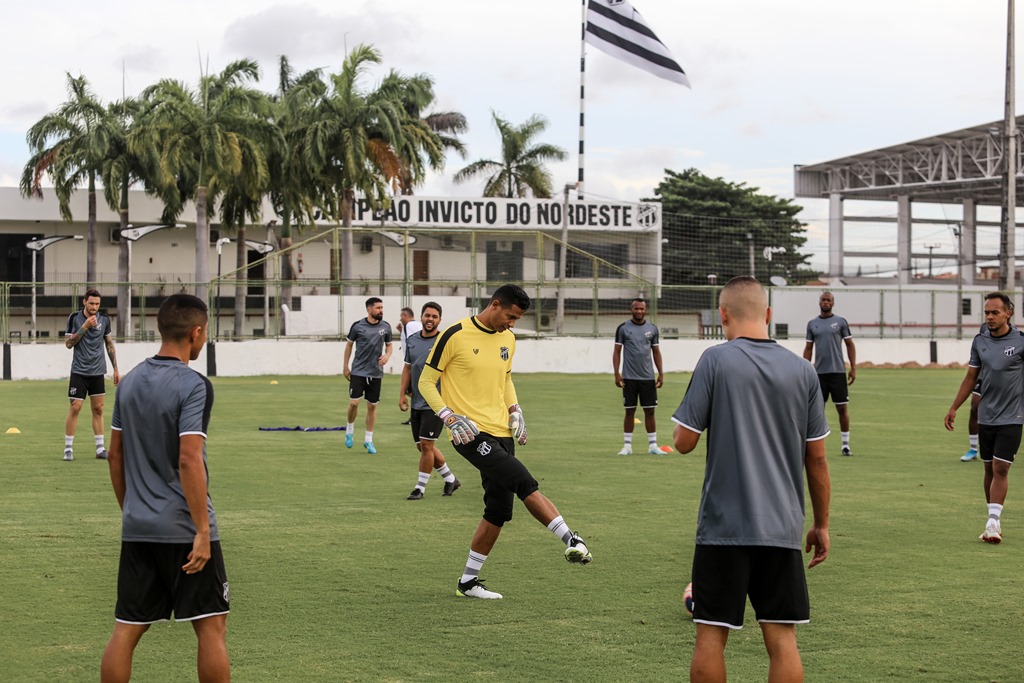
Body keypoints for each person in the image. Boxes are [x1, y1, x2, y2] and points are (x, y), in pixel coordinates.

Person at [672, 276, 831, 683]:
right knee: (782, 638)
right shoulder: (803, 370)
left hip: (723, 528)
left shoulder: (715, 359)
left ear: (723, 314)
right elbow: (817, 459)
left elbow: (684, 441)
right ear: (770, 315)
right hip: (781, 527)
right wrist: (821, 524)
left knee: (710, 635)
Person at [418, 284, 592, 600]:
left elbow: (505, 378)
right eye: (510, 316)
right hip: (469, 434)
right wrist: (448, 416)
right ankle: (571, 538)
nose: (512, 324)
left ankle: (468, 583)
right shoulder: (454, 334)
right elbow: (426, 381)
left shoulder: (508, 339)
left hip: (501, 432)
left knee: (498, 510)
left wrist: (515, 409)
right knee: (523, 481)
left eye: (516, 319)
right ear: (495, 305)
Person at [100, 294, 230, 683]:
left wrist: (132, 510)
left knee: (127, 628)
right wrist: (202, 532)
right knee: (211, 626)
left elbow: (114, 456)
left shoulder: (130, 382)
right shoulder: (194, 385)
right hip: (185, 529)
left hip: (138, 525)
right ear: (196, 332)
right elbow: (189, 459)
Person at [944, 292, 1024, 544]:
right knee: (988, 467)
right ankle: (994, 520)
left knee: (1001, 468)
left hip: (1013, 416)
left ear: (1008, 313)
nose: (989, 317)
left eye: (995, 312)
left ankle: (991, 522)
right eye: (987, 313)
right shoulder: (980, 341)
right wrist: (954, 407)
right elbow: (971, 377)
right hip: (986, 416)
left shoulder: (1021, 341)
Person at [398, 302, 461, 499]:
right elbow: (408, 367)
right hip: (416, 401)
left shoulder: (445, 341)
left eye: (434, 316)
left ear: (439, 320)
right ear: (421, 317)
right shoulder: (412, 340)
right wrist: (402, 394)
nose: (430, 319)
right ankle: (450, 479)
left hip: (436, 403)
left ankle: (420, 488)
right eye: (427, 315)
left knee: (426, 445)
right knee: (422, 446)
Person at [64, 288, 120, 461]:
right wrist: (84, 327)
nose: (94, 307)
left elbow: (109, 345)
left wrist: (116, 369)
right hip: (79, 371)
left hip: (98, 372)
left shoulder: (104, 320)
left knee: (98, 409)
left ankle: (100, 449)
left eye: (97, 304)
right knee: (75, 407)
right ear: (84, 302)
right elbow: (68, 343)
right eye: (91, 303)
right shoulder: (74, 318)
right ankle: (68, 449)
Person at [803, 291, 857, 456]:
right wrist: (805, 368)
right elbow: (808, 348)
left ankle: (845, 445)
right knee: (817, 410)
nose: (825, 302)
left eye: (828, 300)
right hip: (819, 374)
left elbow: (849, 344)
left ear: (832, 303)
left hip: (838, 372)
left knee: (842, 408)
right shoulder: (812, 324)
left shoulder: (840, 322)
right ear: (819, 302)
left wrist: (853, 367)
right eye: (823, 300)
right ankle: (814, 445)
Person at [612, 298, 665, 455]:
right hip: (629, 378)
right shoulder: (623, 328)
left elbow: (656, 352)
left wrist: (661, 373)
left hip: (648, 378)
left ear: (645, 310)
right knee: (630, 411)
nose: (639, 311)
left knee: (650, 411)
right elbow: (617, 351)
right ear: (631, 309)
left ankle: (653, 446)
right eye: (636, 309)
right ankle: (627, 446)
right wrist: (616, 373)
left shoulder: (652, 329)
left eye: (642, 309)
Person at [343, 297, 393, 454]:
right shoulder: (357, 326)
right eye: (378, 308)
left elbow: (390, 346)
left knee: (372, 406)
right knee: (354, 403)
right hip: (358, 371)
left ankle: (368, 440)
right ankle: (349, 431)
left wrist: (387, 356)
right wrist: (345, 366)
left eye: (382, 307)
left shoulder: (386, 327)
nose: (381, 310)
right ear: (369, 309)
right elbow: (349, 345)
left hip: (376, 373)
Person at [398, 307, 422, 426]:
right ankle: (415, 416)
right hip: (417, 363)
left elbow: (413, 342)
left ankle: (416, 416)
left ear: (406, 316)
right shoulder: (416, 325)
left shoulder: (409, 326)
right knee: (413, 391)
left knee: (411, 390)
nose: (400, 318)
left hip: (413, 364)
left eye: (401, 316)